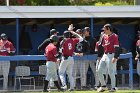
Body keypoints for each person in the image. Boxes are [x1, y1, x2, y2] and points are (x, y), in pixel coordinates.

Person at [59, 24, 83, 91]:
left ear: (64, 35)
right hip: (71, 58)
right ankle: (72, 87)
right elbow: (81, 38)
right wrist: (72, 31)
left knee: (61, 73)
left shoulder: (63, 41)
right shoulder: (73, 40)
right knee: (69, 73)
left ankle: (64, 85)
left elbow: (60, 51)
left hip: (65, 58)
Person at [97, 24, 120, 92]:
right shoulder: (104, 36)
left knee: (111, 72)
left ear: (108, 29)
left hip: (111, 55)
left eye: (104, 29)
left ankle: (113, 88)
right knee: (99, 70)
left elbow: (117, 47)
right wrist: (100, 56)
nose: (103, 30)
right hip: (105, 54)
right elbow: (101, 45)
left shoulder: (115, 36)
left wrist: (115, 57)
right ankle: (103, 86)